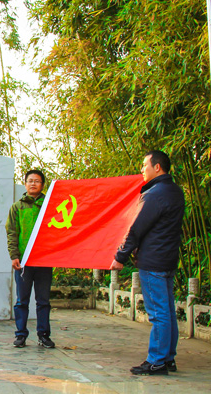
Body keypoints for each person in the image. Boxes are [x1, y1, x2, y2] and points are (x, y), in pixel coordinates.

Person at [111, 150, 184, 376]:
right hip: (168, 259)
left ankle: (157, 361)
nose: (142, 169)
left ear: (157, 167)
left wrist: (120, 256)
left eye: (145, 165)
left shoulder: (155, 194)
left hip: (153, 261)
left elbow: (136, 228)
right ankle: (168, 358)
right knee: (167, 311)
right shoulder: (175, 191)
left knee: (159, 313)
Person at [5, 170, 55, 349]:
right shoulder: (17, 207)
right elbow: (12, 232)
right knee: (22, 301)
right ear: (25, 184)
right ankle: (20, 335)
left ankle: (44, 335)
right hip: (24, 262)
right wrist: (14, 256)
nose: (33, 184)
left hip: (44, 260)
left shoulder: (49, 206)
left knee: (43, 301)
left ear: (43, 185)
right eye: (30, 181)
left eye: (37, 181)